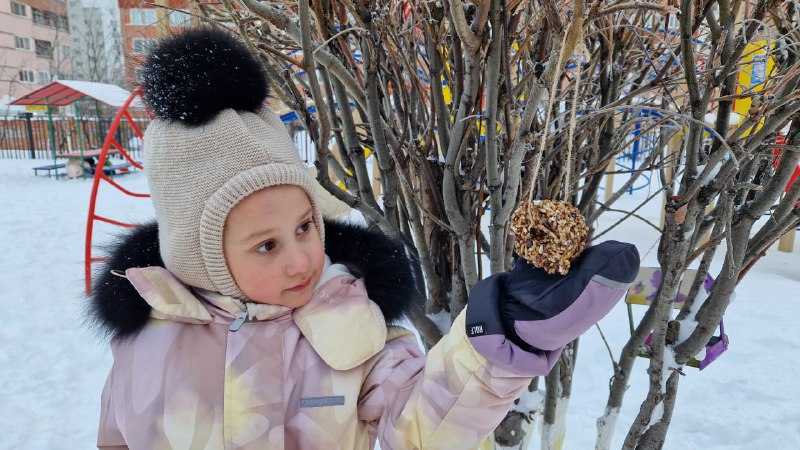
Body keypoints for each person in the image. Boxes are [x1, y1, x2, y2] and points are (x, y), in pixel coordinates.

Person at [89, 28, 640, 450]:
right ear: (200, 256)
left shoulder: (350, 326)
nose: (301, 258)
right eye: (266, 245)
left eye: (305, 227)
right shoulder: (147, 337)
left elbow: (423, 425)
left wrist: (498, 341)